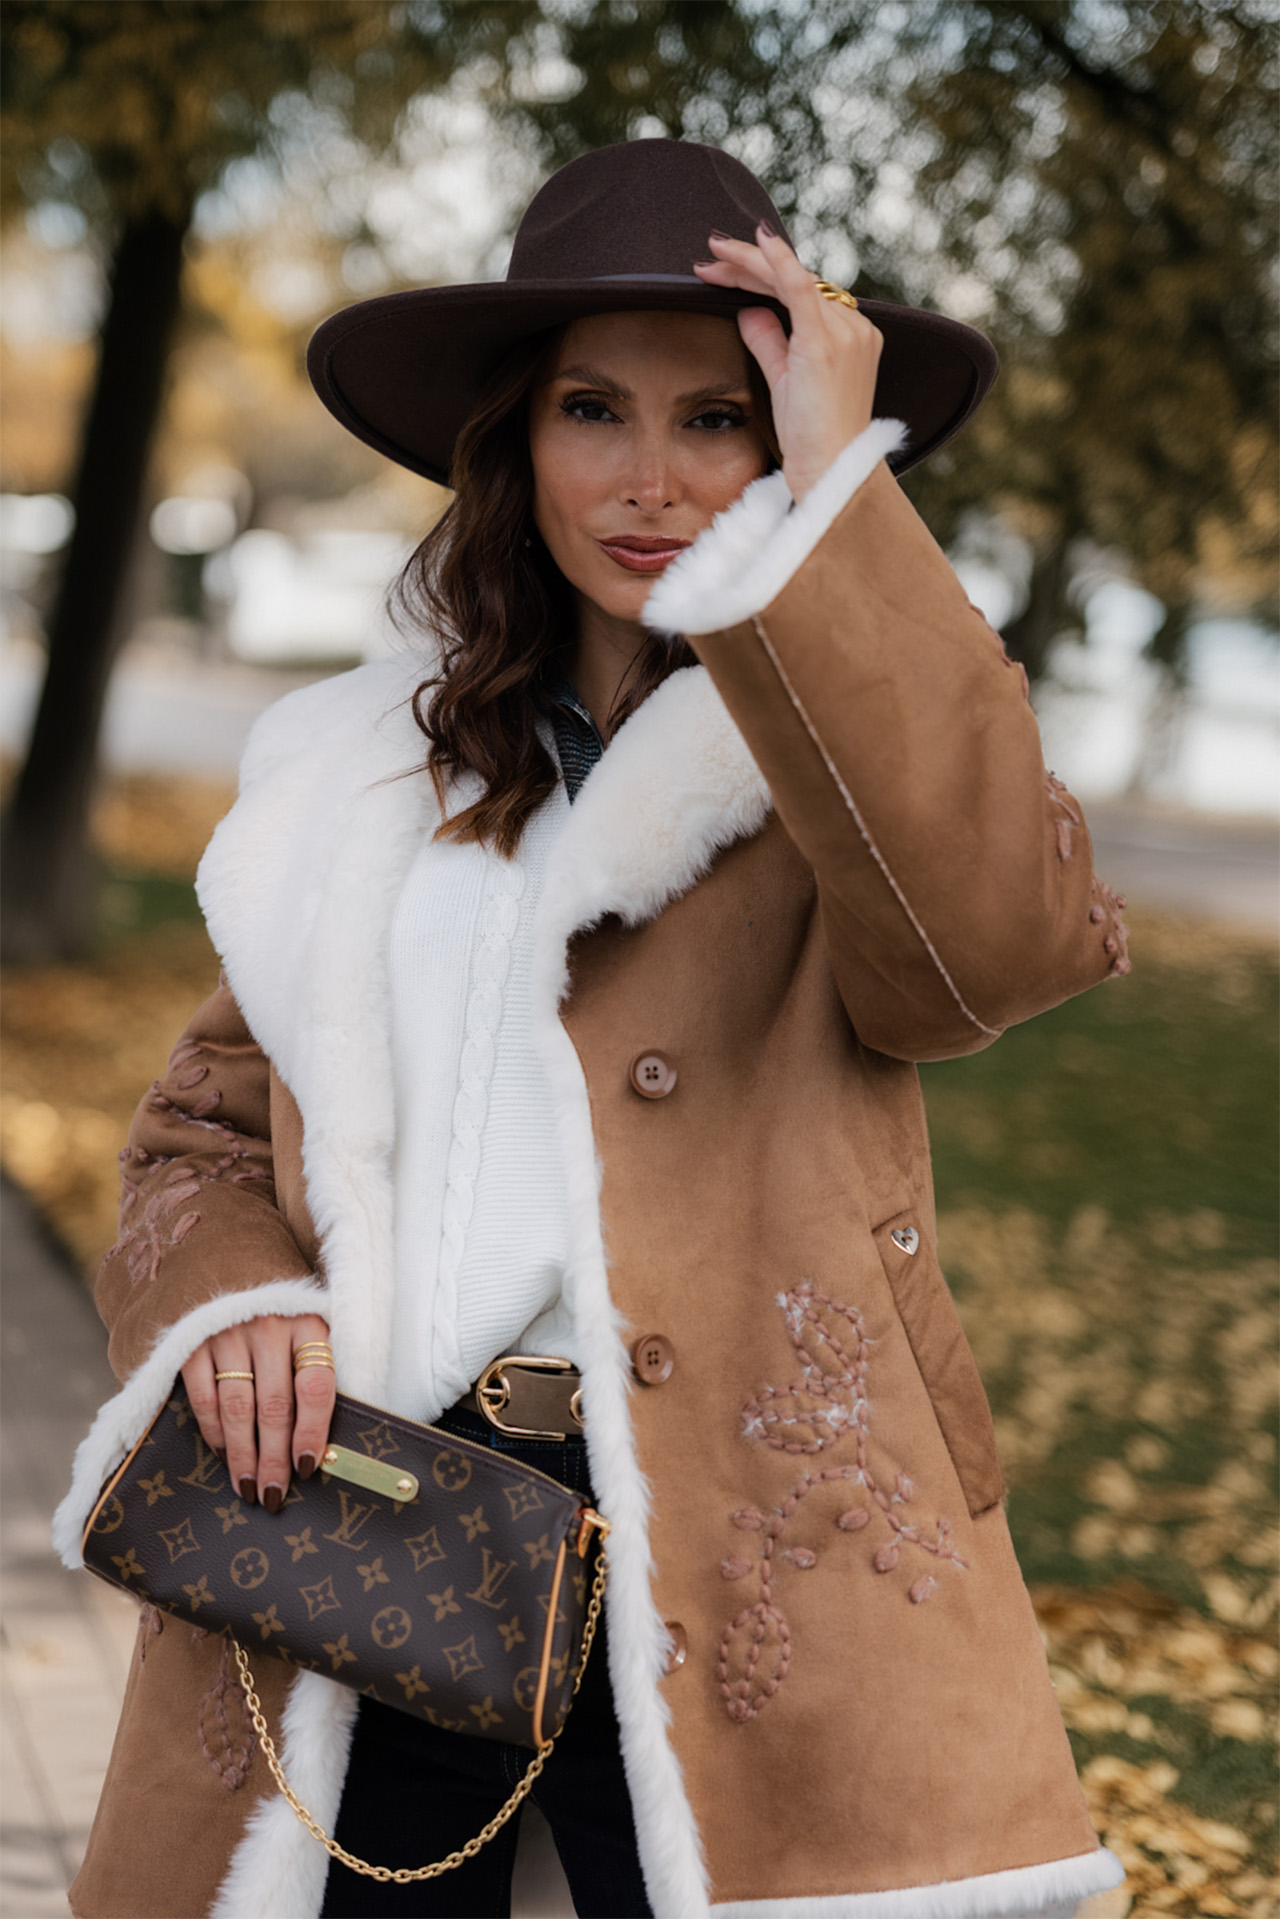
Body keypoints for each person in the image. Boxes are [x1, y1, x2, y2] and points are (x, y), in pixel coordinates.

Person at [56, 138, 1130, 1920]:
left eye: (718, 418)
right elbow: (207, 1133)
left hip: (755, 1577)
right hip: (380, 1536)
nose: (651, 480)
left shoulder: (851, 773)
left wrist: (841, 492)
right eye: (592, 410)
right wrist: (234, 1311)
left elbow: (998, 948)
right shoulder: (367, 775)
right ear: (515, 439)